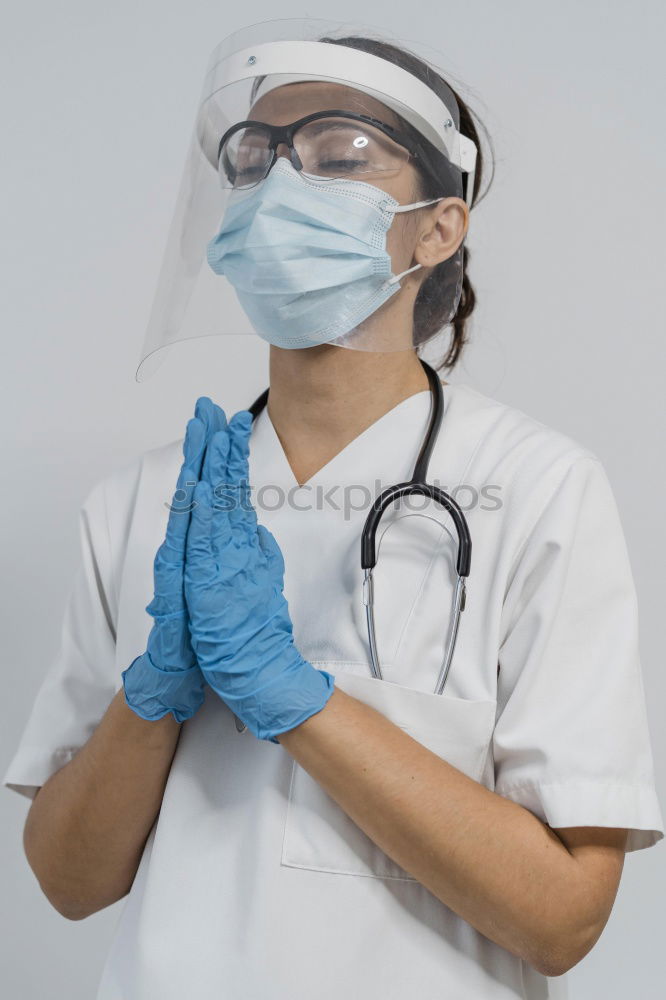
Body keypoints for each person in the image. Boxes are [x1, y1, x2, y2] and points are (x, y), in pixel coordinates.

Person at [4, 18, 663, 1000]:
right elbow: (68, 880)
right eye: (254, 157)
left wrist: (292, 694)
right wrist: (153, 695)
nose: (279, 189)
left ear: (440, 225)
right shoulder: (143, 503)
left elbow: (563, 919)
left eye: (338, 156)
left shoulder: (535, 488)